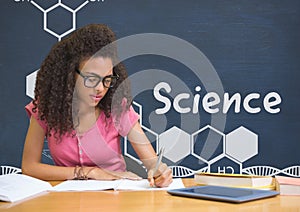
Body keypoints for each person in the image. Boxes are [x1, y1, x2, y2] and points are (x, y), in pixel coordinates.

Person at [22, 23, 173, 187]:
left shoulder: (117, 107)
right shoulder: (46, 108)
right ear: (70, 74)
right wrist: (90, 172)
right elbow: (29, 167)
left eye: (107, 80)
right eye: (92, 79)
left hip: (116, 195)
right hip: (66, 199)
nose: (100, 88)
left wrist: (159, 171)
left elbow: (152, 162)